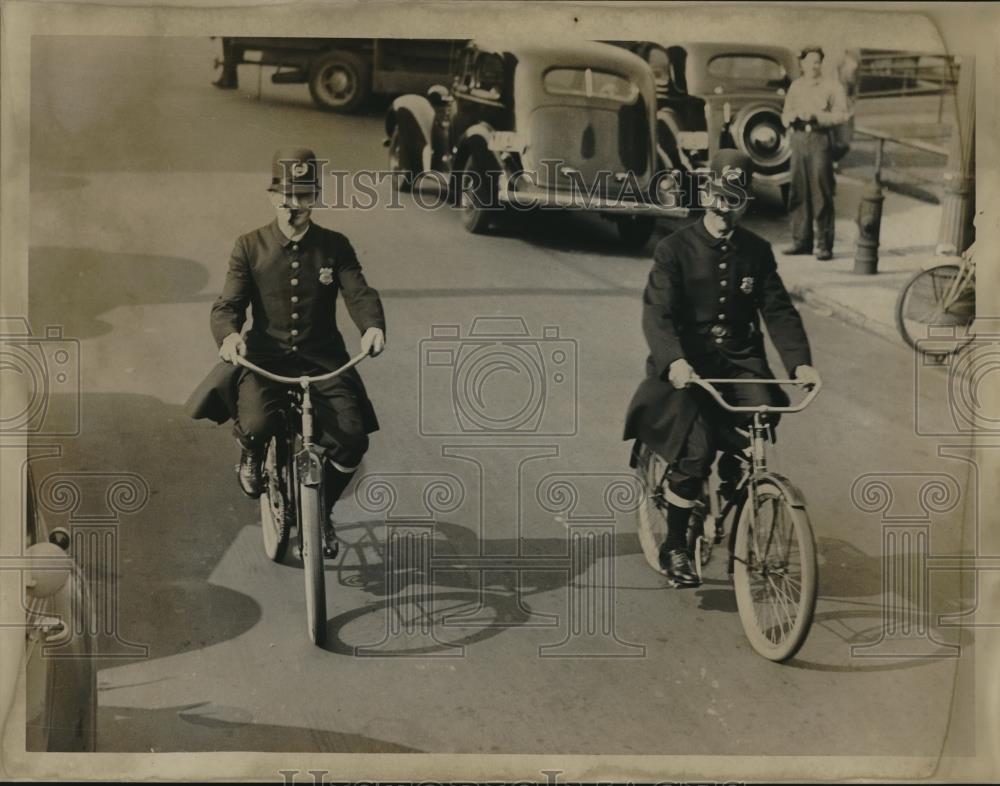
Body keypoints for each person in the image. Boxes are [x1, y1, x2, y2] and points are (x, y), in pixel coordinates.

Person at [623, 150, 820, 587]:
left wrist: (801, 364)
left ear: (745, 202)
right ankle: (675, 544)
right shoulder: (675, 249)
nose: (721, 208)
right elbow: (658, 313)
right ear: (705, 193)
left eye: (732, 200)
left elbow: (778, 310)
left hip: (739, 360)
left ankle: (740, 482)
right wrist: (674, 360)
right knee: (694, 454)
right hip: (688, 365)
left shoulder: (757, 251)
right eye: (715, 196)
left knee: (764, 418)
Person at [186, 147, 386, 556]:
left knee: (351, 440)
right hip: (265, 359)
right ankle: (251, 452)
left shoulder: (335, 246)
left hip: (323, 359)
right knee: (257, 425)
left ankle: (322, 511)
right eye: (287, 195)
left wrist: (372, 328)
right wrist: (229, 337)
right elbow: (228, 305)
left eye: (305, 195)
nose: (295, 205)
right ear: (272, 196)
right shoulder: (249, 246)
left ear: (316, 197)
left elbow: (358, 292)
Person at [781, 46, 850, 261]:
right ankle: (801, 241)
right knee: (798, 191)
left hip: (820, 138)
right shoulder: (795, 86)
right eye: (809, 62)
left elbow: (842, 115)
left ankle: (824, 245)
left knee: (821, 191)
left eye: (817, 62)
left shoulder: (832, 86)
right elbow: (784, 114)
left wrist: (817, 116)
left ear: (822, 64)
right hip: (799, 139)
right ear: (801, 64)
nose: (813, 66)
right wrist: (791, 117)